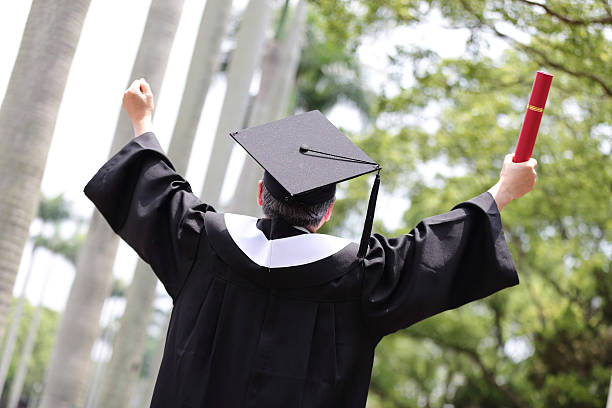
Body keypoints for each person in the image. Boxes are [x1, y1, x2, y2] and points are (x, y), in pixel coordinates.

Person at [84, 78, 537, 407]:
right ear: (328, 213)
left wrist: (142, 120)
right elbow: (435, 248)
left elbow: (160, 190)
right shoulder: (364, 279)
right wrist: (503, 190)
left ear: (262, 196)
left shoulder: (202, 244)